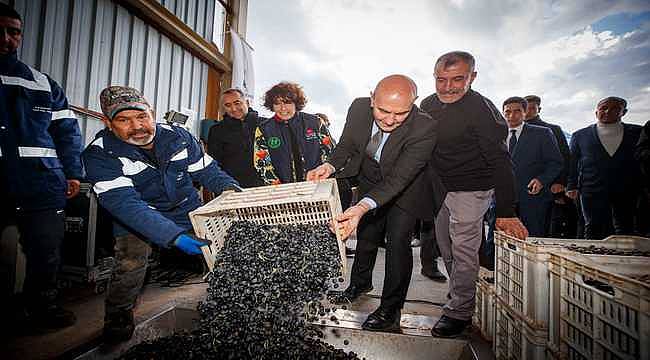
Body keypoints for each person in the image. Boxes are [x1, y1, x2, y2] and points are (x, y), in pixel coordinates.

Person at [82, 86, 240, 342]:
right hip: (138, 216)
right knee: (131, 263)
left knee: (224, 251)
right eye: (124, 120)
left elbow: (208, 171)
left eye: (142, 116)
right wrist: (174, 237)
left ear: (152, 113)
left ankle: (234, 304)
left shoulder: (178, 136)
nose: (137, 126)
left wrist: (233, 190)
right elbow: (126, 205)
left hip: (184, 207)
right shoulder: (99, 155)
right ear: (107, 123)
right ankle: (118, 315)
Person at [307, 74, 441, 332]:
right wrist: (330, 164)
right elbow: (346, 145)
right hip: (370, 178)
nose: (390, 120)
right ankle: (359, 284)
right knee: (367, 234)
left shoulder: (425, 127)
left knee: (398, 241)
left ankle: (391, 309)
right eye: (383, 111)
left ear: (414, 104)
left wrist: (361, 206)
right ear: (371, 99)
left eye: (401, 113)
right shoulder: (358, 108)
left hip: (406, 189)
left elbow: (400, 178)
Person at [420, 51, 528, 338]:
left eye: (458, 79)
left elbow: (501, 160)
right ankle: (461, 293)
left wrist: (506, 210)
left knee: (464, 249)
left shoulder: (483, 110)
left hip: (473, 188)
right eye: (441, 80)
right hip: (440, 188)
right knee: (446, 248)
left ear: (473, 77)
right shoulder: (428, 104)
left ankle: (460, 311)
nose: (448, 87)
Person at [0, 4, 82, 330]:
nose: (6, 39)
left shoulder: (43, 83)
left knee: (45, 250)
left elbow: (66, 131)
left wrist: (73, 171)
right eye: (1, 30)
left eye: (14, 31)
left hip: (42, 182)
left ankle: (43, 308)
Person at [567, 97, 642, 239]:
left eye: (614, 108)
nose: (607, 111)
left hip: (627, 188)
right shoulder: (580, 135)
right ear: (596, 112)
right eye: (603, 108)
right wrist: (571, 186)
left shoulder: (637, 132)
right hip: (591, 188)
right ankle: (590, 259)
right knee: (593, 225)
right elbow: (572, 162)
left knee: (626, 226)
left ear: (623, 112)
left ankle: (624, 259)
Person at [503, 96, 563, 236]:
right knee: (497, 241)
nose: (512, 115)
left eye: (517, 111)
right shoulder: (494, 134)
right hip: (502, 199)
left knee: (532, 237)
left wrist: (542, 180)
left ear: (525, 113)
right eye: (507, 112)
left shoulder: (542, 133)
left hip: (532, 198)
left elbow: (556, 162)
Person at [523, 95, 576, 238]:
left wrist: (561, 182)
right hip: (519, 187)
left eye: (532, 108)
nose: (527, 111)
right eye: (525, 108)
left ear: (538, 109)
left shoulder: (552, 129)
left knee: (541, 227)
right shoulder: (510, 130)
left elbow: (564, 158)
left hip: (546, 186)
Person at [260, 82, 333, 183]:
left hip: (318, 182)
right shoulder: (264, 129)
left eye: (287, 102)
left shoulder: (315, 122)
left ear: (296, 103)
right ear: (272, 105)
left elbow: (330, 152)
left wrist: (321, 175)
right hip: (283, 191)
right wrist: (277, 186)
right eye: (277, 103)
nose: (283, 108)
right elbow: (262, 163)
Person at [207, 88, 273, 187]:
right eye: (228, 105)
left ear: (247, 102)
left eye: (237, 103)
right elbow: (215, 164)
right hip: (234, 187)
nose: (233, 109)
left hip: (267, 186)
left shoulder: (267, 125)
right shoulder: (217, 130)